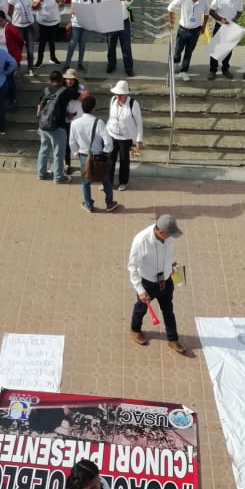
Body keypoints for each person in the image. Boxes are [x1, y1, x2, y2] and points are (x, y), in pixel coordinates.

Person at [127, 214, 185, 354]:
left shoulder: (169, 237)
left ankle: (173, 339)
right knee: (141, 308)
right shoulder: (141, 241)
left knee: (168, 310)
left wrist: (172, 268)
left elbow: (169, 255)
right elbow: (132, 266)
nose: (171, 237)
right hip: (147, 282)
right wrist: (140, 290)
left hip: (166, 280)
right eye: (169, 234)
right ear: (160, 231)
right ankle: (135, 330)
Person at [69, 96, 119, 213]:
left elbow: (72, 141)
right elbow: (108, 140)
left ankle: (88, 204)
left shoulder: (75, 123)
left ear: (82, 107)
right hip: (99, 156)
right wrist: (107, 151)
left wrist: (76, 152)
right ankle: (109, 203)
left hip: (84, 156)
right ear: (93, 108)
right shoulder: (98, 122)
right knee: (105, 179)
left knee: (85, 181)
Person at [37, 70, 76, 183]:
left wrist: (39, 124)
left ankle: (41, 173)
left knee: (43, 150)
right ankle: (59, 177)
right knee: (59, 152)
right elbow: (82, 96)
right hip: (58, 126)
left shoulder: (45, 90)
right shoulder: (66, 91)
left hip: (44, 125)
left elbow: (40, 107)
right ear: (61, 81)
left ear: (50, 81)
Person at [167, 0, 209, 82]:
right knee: (178, 51)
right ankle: (175, 64)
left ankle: (184, 71)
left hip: (195, 31)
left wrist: (203, 27)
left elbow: (207, 13)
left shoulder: (203, 0)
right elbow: (170, 7)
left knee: (189, 52)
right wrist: (170, 22)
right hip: (183, 29)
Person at [107, 80, 143, 191]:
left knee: (124, 160)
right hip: (112, 135)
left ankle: (123, 182)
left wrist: (139, 140)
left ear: (126, 94)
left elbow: (139, 122)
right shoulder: (113, 100)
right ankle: (108, 181)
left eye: (120, 95)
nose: (118, 97)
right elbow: (110, 118)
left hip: (125, 138)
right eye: (117, 94)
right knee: (110, 160)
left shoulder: (133, 104)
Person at [207, 0, 243, 80]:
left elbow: (239, 12)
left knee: (228, 49)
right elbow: (211, 11)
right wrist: (220, 19)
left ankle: (225, 69)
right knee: (215, 49)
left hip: (231, 26)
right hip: (219, 25)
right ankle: (212, 70)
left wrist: (235, 20)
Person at [102, 0, 135, 77]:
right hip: (111, 24)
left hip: (124, 23)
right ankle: (111, 65)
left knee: (126, 47)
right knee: (111, 47)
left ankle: (129, 68)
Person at [0, 11, 24, 107]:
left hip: (9, 58)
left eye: (0, 21)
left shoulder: (11, 28)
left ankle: (12, 98)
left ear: (5, 19)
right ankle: (5, 95)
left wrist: (16, 51)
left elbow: (20, 40)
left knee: (9, 78)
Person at [62, 68, 89, 173]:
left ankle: (84, 164)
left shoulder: (80, 88)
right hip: (67, 121)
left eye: (71, 79)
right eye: (67, 79)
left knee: (81, 143)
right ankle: (67, 164)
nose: (68, 81)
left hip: (80, 121)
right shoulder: (63, 89)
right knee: (67, 143)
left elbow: (85, 98)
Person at [7, 0, 36, 76]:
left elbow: (32, 7)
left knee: (30, 48)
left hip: (29, 25)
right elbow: (9, 12)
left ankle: (31, 68)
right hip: (17, 26)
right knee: (17, 49)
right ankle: (17, 67)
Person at [64, 0, 96, 72]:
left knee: (82, 44)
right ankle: (67, 64)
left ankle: (80, 63)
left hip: (86, 25)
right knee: (72, 43)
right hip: (76, 24)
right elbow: (72, 10)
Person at [33, 0, 64, 67]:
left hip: (54, 22)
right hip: (43, 23)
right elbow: (33, 6)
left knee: (52, 41)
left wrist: (59, 1)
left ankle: (53, 57)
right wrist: (40, 1)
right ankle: (39, 60)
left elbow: (62, 3)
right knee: (42, 42)